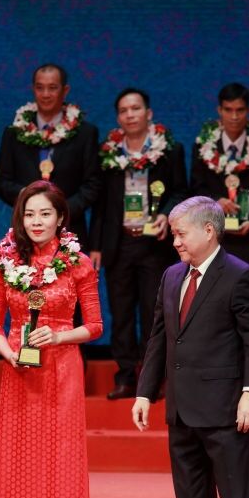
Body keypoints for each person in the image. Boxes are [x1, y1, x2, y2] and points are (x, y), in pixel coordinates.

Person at [132, 196, 249, 498]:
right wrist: (145, 392)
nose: (175, 241)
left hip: (226, 409)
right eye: (174, 234)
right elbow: (160, 337)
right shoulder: (172, 275)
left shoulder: (240, 276)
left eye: (181, 233)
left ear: (209, 231)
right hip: (181, 409)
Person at [0, 181, 103, 498]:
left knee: (62, 475)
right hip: (19, 374)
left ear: (60, 218)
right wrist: (8, 352)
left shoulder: (78, 263)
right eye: (29, 214)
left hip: (62, 371)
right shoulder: (4, 261)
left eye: (45, 214)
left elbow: (95, 326)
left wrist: (58, 335)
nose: (36, 222)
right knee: (18, 477)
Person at [89, 87, 186, 400]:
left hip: (154, 243)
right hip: (118, 243)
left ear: (149, 113)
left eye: (136, 108)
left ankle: (152, 378)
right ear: (118, 118)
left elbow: (181, 191)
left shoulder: (169, 150)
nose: (130, 115)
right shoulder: (108, 153)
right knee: (121, 314)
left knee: (154, 314)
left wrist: (168, 214)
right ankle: (125, 376)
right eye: (124, 111)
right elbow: (101, 204)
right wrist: (96, 246)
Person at [0, 63, 101, 250]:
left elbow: (93, 185)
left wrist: (60, 211)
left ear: (65, 91)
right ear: (33, 89)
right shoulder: (14, 133)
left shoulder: (85, 133)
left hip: (71, 231)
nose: (45, 94)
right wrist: (28, 198)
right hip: (25, 231)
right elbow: (1, 182)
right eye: (40, 87)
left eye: (52, 88)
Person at [190, 82, 249, 275]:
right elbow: (196, 189)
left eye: (240, 110)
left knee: (248, 294)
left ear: (248, 111)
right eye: (228, 110)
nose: (234, 116)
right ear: (219, 110)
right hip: (211, 241)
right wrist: (215, 202)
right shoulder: (202, 147)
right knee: (210, 295)